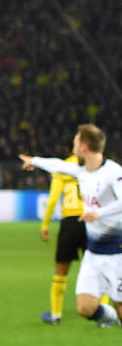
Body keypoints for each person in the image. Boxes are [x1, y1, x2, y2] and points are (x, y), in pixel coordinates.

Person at [20, 124, 122, 327]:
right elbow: (58, 165)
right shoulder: (82, 171)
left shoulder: (114, 172)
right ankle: (111, 319)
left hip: (117, 253)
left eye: (75, 142)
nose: (72, 146)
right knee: (85, 308)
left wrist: (98, 213)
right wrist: (34, 161)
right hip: (93, 254)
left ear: (84, 147)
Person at [38, 150, 90, 325]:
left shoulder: (64, 167)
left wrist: (45, 225)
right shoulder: (94, 166)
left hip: (70, 222)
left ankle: (56, 314)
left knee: (61, 268)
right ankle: (104, 315)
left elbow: (53, 199)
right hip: (91, 220)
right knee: (98, 267)